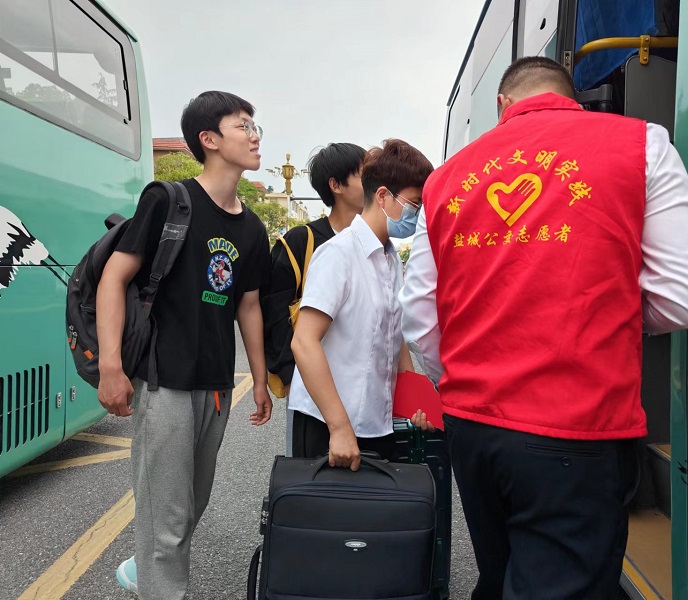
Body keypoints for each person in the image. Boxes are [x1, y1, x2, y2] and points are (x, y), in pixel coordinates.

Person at [399, 57, 688, 599]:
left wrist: (466, 377)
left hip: (472, 427)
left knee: (500, 574)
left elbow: (421, 318)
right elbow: (687, 300)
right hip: (577, 427)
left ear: (502, 104)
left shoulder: (446, 178)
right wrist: (600, 318)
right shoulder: (642, 145)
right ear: (571, 95)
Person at [96, 91, 272, 600]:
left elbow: (248, 306)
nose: (255, 136)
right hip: (164, 379)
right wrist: (111, 366)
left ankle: (144, 571)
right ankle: (163, 588)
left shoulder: (252, 227)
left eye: (255, 126)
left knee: (190, 504)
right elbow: (114, 278)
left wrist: (260, 381)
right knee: (168, 518)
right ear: (209, 139)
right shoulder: (168, 200)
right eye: (243, 126)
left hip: (215, 384)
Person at [290, 139, 434, 468]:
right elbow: (304, 341)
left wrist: (416, 403)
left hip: (376, 423)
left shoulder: (391, 258)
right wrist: (339, 428)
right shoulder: (338, 254)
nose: (417, 214)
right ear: (382, 196)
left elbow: (394, 337)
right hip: (327, 425)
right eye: (414, 203)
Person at [262, 142, 366, 455]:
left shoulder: (374, 243)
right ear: (336, 185)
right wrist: (292, 377)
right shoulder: (301, 241)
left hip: (364, 387)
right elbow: (274, 313)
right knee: (313, 472)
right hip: (312, 390)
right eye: (365, 175)